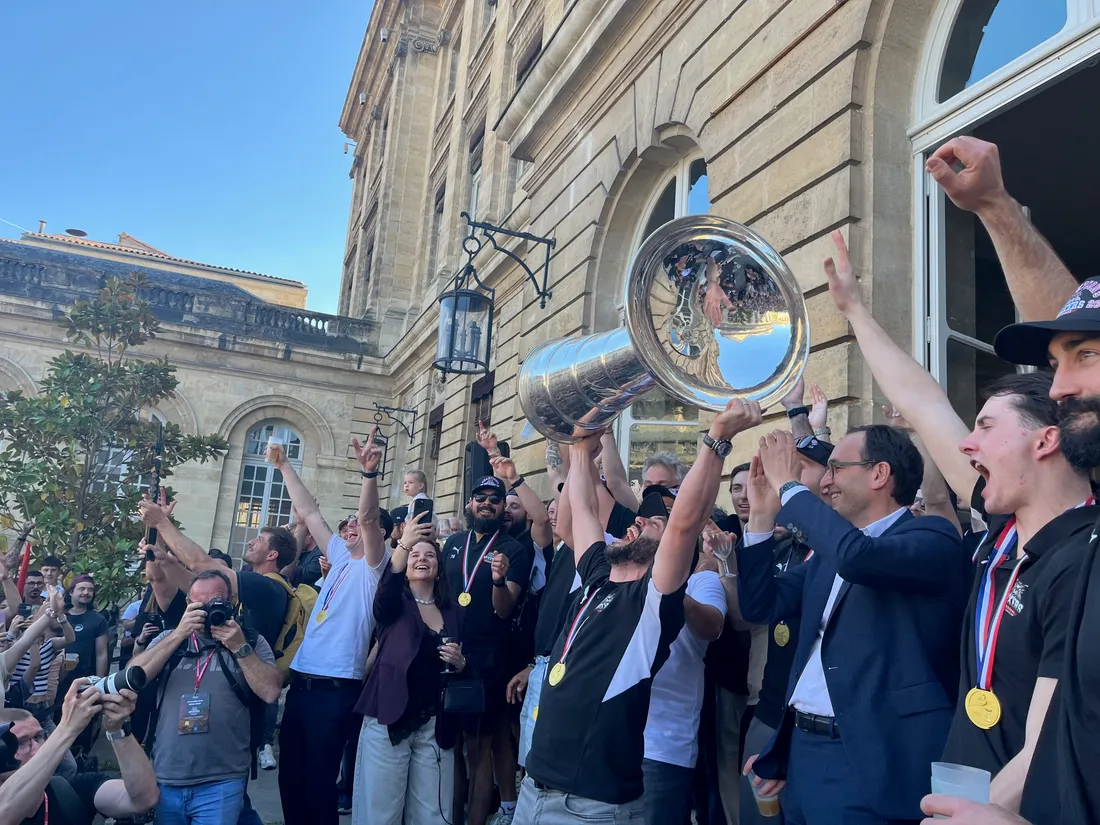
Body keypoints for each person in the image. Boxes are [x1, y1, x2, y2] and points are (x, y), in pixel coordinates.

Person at [822, 229, 1096, 811]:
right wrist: (853, 310)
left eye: (988, 428)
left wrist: (980, 814)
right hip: (968, 788)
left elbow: (1051, 738)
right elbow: (924, 403)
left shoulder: (1082, 559)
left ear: (1046, 439)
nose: (967, 444)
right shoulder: (1001, 533)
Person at [517, 399, 762, 822]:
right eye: (636, 522)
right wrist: (580, 452)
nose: (635, 524)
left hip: (590, 807)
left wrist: (717, 439)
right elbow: (583, 509)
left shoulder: (652, 604)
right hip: (534, 790)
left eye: (650, 524)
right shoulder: (597, 575)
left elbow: (685, 522)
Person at [739, 426, 969, 824]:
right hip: (803, 755)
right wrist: (761, 515)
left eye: (835, 469)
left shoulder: (931, 536)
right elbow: (760, 606)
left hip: (872, 761)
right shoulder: (832, 552)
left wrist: (790, 486)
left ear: (879, 474)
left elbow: (859, 558)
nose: (825, 483)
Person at [272, 427, 390, 825]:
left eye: (358, 526)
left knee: (319, 783)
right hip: (302, 684)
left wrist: (369, 476)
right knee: (290, 778)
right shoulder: (339, 556)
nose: (351, 528)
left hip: (336, 689)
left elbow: (371, 518)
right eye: (347, 526)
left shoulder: (374, 566)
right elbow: (308, 513)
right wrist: (285, 465)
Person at [129, 569, 282, 824]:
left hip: (222, 777)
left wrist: (239, 647)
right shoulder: (171, 639)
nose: (209, 609)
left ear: (232, 602)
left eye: (217, 601)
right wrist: (179, 633)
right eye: (201, 603)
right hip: (167, 774)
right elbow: (132, 677)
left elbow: (271, 692)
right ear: (189, 604)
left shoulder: (251, 641)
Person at [738, 434, 832, 825]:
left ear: (830, 480)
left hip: (826, 730)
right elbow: (756, 609)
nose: (780, 475)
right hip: (773, 713)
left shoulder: (850, 546)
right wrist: (760, 516)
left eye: (796, 466)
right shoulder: (786, 545)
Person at [352, 513, 467, 825]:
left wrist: (460, 662)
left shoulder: (452, 611)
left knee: (433, 815)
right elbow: (385, 588)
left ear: (440, 569)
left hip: (434, 723)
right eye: (415, 555)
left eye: (430, 555)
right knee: (380, 814)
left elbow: (465, 664)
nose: (422, 559)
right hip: (388, 717)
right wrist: (404, 543)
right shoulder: (395, 603)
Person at [439, 474, 530, 825]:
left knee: (479, 749)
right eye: (481, 497)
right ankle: (452, 817)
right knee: (452, 748)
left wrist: (496, 579)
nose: (487, 503)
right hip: (447, 655)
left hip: (488, 661)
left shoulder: (513, 549)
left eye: (495, 498)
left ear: (503, 507)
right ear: (469, 504)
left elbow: (505, 608)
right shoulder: (453, 543)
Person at [642, 516, 727, 825]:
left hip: (664, 745)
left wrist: (675, 591)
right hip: (615, 734)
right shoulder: (629, 576)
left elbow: (713, 626)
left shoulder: (701, 579)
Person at [0, 680, 159, 825]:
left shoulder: (67, 789)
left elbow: (144, 799)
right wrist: (67, 729)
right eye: (21, 742)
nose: (37, 748)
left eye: (39, 737)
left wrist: (118, 730)